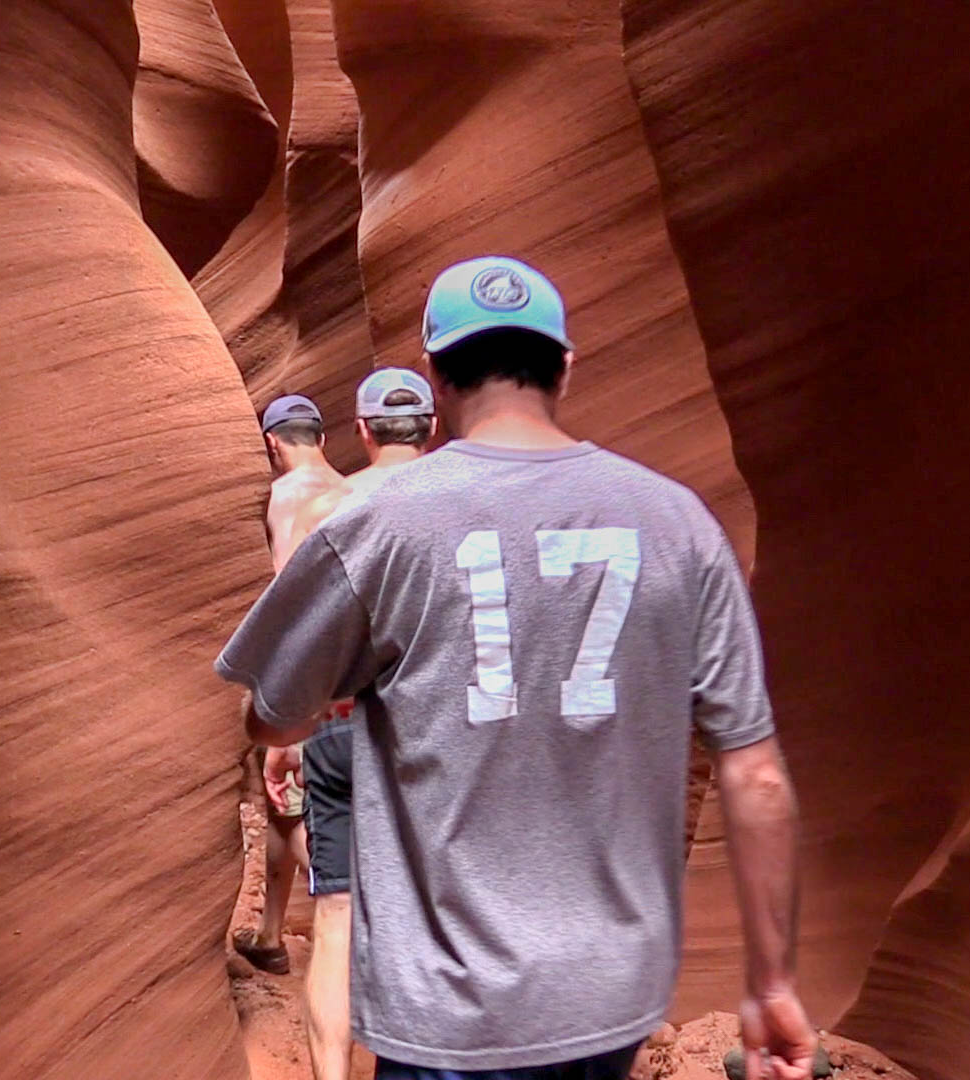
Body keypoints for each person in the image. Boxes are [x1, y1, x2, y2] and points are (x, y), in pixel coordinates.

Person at [215, 255, 816, 1080]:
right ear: (565, 367)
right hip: (609, 997)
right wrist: (772, 981)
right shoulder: (679, 522)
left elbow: (274, 714)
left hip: (446, 1003)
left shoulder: (378, 523)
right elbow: (757, 776)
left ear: (435, 374)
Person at [263, 367, 440, 1080]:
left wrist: (289, 735)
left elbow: (293, 626)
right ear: (433, 427)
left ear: (362, 433)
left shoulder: (323, 506)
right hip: (439, 730)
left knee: (334, 916)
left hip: (338, 718)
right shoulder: (466, 498)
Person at [232, 394, 345, 975]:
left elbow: (289, 609)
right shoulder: (358, 491)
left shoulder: (284, 501)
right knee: (285, 811)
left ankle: (357, 911)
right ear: (321, 440)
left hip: (304, 682)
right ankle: (271, 934)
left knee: (293, 803)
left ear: (272, 446)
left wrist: (285, 720)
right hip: (355, 684)